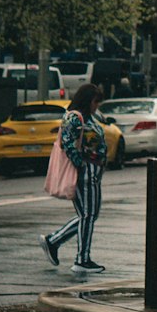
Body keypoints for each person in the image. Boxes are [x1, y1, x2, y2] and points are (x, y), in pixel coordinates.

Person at [39, 83, 111, 275]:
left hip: (92, 173)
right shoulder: (74, 117)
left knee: (89, 216)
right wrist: (82, 164)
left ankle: (53, 241)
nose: (97, 106)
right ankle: (81, 258)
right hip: (85, 174)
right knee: (87, 216)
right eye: (95, 102)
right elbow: (68, 144)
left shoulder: (89, 117)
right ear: (87, 100)